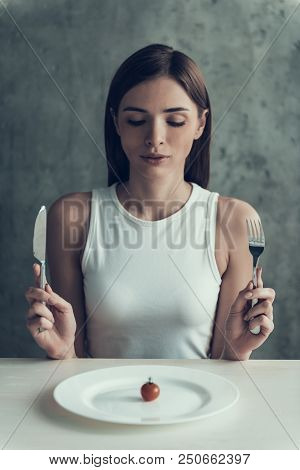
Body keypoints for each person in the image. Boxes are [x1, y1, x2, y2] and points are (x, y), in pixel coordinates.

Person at [25, 44, 275, 361]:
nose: (155, 137)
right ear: (116, 123)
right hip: (99, 407)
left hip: (199, 407)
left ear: (200, 124)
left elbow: (223, 369)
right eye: (135, 120)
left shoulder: (235, 220)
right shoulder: (73, 217)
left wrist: (238, 351)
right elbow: (72, 365)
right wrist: (61, 352)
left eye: (174, 122)